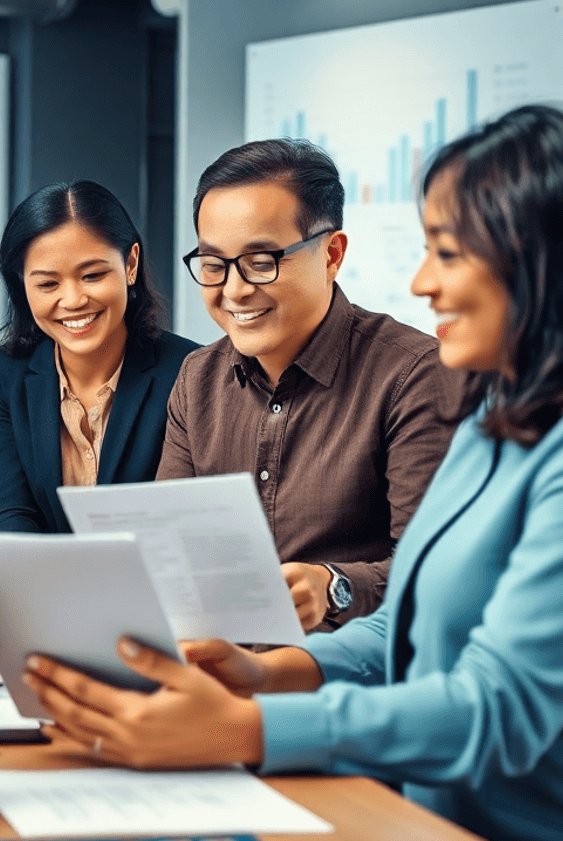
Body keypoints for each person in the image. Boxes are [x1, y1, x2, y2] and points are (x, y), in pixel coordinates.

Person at [25, 105, 563, 841]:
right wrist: (272, 676)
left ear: (538, 261)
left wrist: (253, 726)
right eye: (213, 262)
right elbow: (408, 630)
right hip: (425, 827)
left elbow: (495, 705)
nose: (422, 282)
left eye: (448, 254)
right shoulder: (499, 425)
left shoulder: (495, 421)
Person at [158, 139, 458, 631]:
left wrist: (334, 585)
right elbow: (170, 554)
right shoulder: (197, 379)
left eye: (261, 261)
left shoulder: (413, 375)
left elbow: (433, 574)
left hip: (347, 684)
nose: (234, 290)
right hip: (216, 671)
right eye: (214, 265)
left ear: (332, 254)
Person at [0, 180, 196, 532]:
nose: (73, 300)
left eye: (92, 275)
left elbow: (184, 523)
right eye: (48, 284)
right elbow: (11, 513)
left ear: (130, 264)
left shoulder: (189, 371)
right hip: (44, 582)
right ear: (22, 285)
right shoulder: (5, 373)